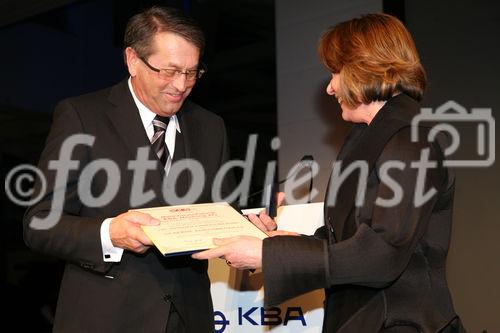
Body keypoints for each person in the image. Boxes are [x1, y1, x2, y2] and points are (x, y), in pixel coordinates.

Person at [193, 13, 465, 332]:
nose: (330, 88)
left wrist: (269, 256)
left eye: (336, 72)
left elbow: (381, 254)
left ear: (364, 69)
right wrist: (281, 241)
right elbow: (346, 239)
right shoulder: (369, 137)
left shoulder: (412, 141)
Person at [23, 6, 234, 332]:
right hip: (106, 318)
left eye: (192, 72)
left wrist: (246, 223)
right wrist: (110, 234)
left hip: (191, 319)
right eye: (169, 71)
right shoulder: (81, 117)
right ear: (133, 60)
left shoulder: (211, 126)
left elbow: (220, 213)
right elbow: (39, 225)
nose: (181, 85)